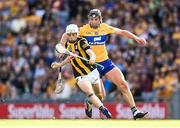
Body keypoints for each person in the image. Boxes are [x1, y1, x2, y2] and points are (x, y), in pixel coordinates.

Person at [58, 9, 148, 120]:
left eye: (96, 19)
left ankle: (135, 111)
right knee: (101, 96)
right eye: (91, 19)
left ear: (100, 19)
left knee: (123, 84)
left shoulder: (105, 28)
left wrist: (137, 38)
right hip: (91, 66)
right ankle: (89, 102)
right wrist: (61, 47)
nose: (94, 21)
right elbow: (65, 34)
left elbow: (122, 32)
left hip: (105, 62)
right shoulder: (83, 30)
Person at [51, 24, 112, 118]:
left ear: (77, 34)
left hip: (92, 72)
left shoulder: (82, 42)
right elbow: (69, 58)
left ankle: (88, 102)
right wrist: (59, 64)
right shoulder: (67, 45)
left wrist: (92, 58)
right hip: (80, 75)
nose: (71, 36)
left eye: (73, 34)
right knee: (90, 93)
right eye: (69, 34)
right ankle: (104, 109)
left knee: (99, 96)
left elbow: (90, 52)